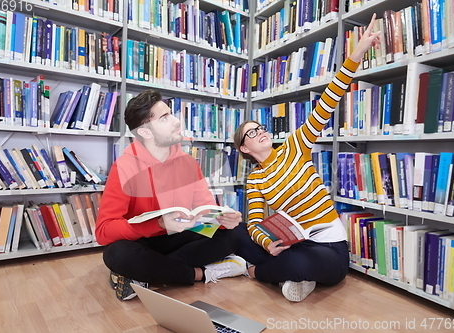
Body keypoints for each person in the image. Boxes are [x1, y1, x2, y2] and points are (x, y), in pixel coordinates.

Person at [232, 14, 382, 302]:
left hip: (327, 247)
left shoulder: (294, 146)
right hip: (292, 243)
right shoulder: (256, 179)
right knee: (236, 233)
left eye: (261, 128)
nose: (261, 132)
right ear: (245, 149)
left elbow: (327, 102)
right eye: (252, 134)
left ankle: (255, 272)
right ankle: (282, 274)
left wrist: (356, 54)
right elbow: (254, 224)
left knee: (300, 264)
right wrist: (268, 242)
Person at [95, 89, 246, 301]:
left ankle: (142, 275)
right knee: (117, 254)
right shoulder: (124, 167)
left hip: (179, 236)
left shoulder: (188, 162)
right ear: (146, 132)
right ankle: (199, 274)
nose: (176, 121)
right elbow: (103, 232)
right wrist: (158, 224)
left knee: (233, 235)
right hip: (143, 240)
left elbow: (206, 211)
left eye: (171, 114)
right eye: (165, 118)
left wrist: (223, 220)